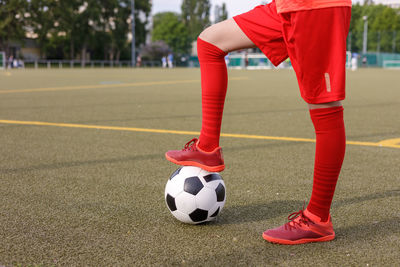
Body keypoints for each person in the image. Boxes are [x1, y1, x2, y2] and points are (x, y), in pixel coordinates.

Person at [165, 0, 351, 245]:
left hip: (315, 8)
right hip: (286, 6)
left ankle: (317, 219)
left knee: (324, 106)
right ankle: (208, 147)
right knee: (210, 42)